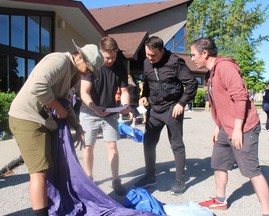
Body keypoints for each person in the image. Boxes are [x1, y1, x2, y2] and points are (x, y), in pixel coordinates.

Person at [8, 40, 102, 216]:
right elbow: (38, 86)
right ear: (79, 57)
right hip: (26, 119)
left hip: (41, 121)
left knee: (48, 169)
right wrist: (57, 108)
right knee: (39, 172)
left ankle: (51, 207)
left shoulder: (71, 72)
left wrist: (77, 126)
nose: (89, 73)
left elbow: (64, 103)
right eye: (89, 68)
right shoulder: (59, 61)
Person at [190, 37, 269, 216]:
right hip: (225, 127)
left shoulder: (225, 67)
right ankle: (220, 201)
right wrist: (217, 126)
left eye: (193, 54)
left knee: (252, 171)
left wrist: (237, 129)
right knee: (219, 164)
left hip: (244, 127)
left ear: (204, 53)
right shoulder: (211, 74)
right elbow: (221, 104)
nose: (192, 58)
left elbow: (240, 97)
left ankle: (267, 213)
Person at [134, 36, 198, 195]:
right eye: (147, 55)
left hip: (172, 108)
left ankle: (180, 180)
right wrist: (144, 95)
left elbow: (192, 83)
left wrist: (181, 103)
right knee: (148, 142)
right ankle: (150, 176)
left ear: (162, 51)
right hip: (155, 110)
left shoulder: (175, 62)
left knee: (176, 144)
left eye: (153, 55)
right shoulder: (146, 62)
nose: (150, 58)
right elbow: (147, 82)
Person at [79, 36, 130, 196]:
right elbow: (83, 92)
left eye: (113, 56)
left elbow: (125, 91)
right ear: (100, 52)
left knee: (112, 146)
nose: (110, 60)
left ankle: (116, 180)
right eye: (107, 57)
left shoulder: (120, 67)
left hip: (110, 112)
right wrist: (95, 108)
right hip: (89, 111)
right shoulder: (92, 65)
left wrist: (125, 106)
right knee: (88, 146)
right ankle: (89, 179)